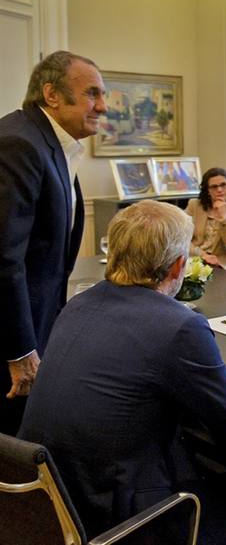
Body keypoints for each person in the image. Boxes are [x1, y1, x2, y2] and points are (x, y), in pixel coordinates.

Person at [18, 200, 226, 544]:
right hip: (116, 515)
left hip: (43, 500)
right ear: (178, 265)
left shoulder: (77, 305)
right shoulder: (180, 325)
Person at [0, 50, 106, 435]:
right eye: (93, 93)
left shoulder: (51, 145)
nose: (103, 106)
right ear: (52, 94)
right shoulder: (19, 144)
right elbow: (5, 260)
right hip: (13, 339)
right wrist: (20, 349)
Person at [185, 167, 226, 270]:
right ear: (207, 190)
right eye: (214, 187)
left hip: (221, 264)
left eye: (223, 185)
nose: (219, 190)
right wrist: (202, 255)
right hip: (193, 259)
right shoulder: (194, 205)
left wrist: (223, 218)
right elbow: (182, 237)